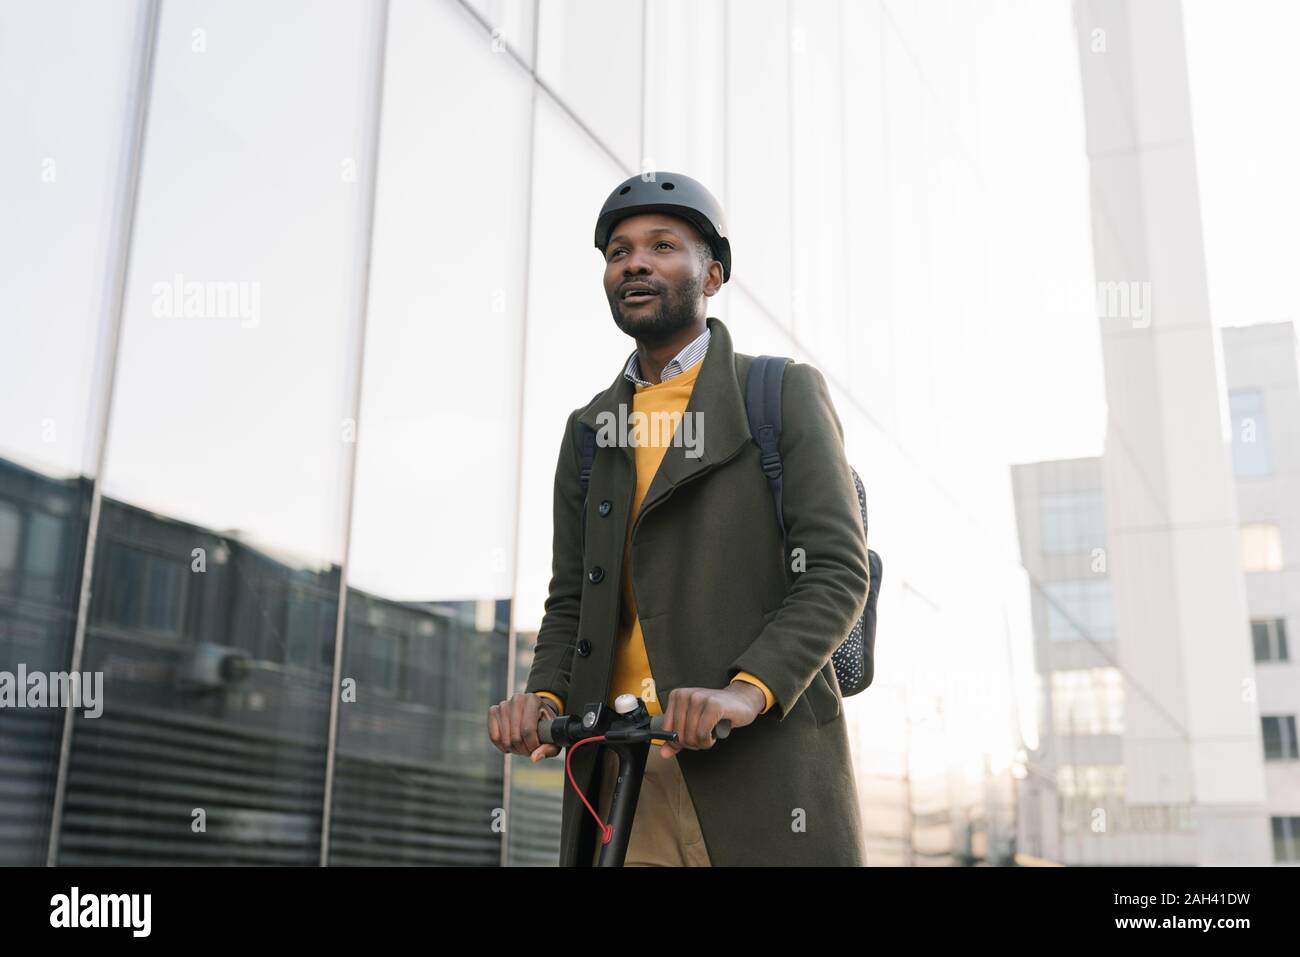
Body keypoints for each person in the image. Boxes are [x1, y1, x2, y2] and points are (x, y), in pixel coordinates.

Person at [488, 171, 870, 866]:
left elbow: (836, 573)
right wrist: (542, 696)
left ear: (713, 275)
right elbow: (572, 598)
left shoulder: (779, 393)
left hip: (758, 771)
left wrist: (743, 692)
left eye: (663, 245)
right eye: (618, 252)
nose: (634, 261)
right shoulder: (589, 431)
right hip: (620, 778)